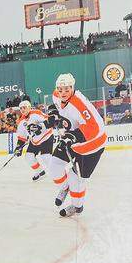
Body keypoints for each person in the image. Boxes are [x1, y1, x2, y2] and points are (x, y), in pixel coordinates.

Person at [45, 73, 106, 217]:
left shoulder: (79, 104)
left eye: (67, 89)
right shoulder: (57, 94)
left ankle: (76, 206)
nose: (63, 93)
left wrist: (73, 136)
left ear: (72, 88)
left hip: (92, 145)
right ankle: (65, 186)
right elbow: (53, 104)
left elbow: (94, 127)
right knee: (54, 166)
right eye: (60, 90)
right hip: (72, 140)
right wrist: (53, 112)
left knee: (77, 179)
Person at [14, 100, 53, 181]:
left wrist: (39, 127)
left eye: (24, 107)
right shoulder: (21, 121)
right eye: (21, 108)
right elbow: (22, 137)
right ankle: (40, 172)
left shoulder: (36, 113)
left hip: (46, 137)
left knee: (46, 157)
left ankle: (59, 173)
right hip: (34, 140)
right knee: (29, 157)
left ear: (29, 107)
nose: (22, 110)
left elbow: (49, 121)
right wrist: (18, 148)